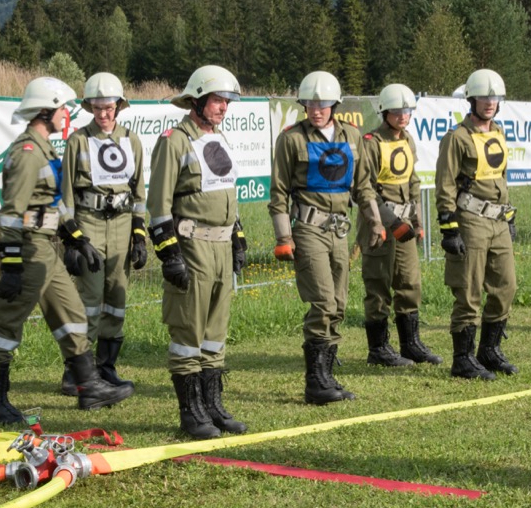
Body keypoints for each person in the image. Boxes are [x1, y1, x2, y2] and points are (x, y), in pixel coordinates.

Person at [0, 77, 134, 427]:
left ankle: (88, 387)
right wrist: (12, 265)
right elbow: (12, 213)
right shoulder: (27, 153)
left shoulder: (45, 150)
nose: (67, 115)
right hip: (29, 251)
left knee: (73, 313)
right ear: (46, 111)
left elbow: (52, 204)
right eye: (63, 108)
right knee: (5, 325)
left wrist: (77, 238)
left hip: (46, 249)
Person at [147, 65, 248, 438]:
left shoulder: (218, 137)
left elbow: (225, 191)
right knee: (188, 331)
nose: (224, 108)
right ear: (199, 99)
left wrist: (237, 236)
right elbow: (158, 204)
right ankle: (191, 413)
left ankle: (213, 407)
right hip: (192, 247)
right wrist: (169, 254)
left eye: (227, 102)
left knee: (215, 333)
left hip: (222, 248)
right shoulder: (174, 141)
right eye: (218, 100)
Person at [270, 70, 379, 404]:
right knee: (323, 302)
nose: (316, 110)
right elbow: (279, 193)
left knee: (339, 305)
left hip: (339, 231)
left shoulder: (352, 136)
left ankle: (327, 375)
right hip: (308, 229)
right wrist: (283, 237)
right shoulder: (291, 139)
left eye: (323, 104)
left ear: (335, 105)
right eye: (310, 104)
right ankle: (315, 383)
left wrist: (375, 221)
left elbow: (363, 186)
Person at [57, 72, 147, 396]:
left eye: (109, 108)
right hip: (89, 223)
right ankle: (76, 371)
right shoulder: (78, 141)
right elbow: (65, 194)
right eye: (97, 108)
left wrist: (139, 234)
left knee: (117, 299)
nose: (103, 114)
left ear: (119, 107)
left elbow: (139, 192)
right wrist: (71, 239)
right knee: (90, 300)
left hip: (122, 225)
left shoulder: (132, 141)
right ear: (90, 108)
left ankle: (106, 367)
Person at [435, 69, 518, 380]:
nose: (490, 102)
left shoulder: (498, 133)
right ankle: (463, 359)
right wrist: (449, 227)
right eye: (484, 97)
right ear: (471, 99)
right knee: (468, 291)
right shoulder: (457, 137)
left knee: (506, 286)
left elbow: (501, 178)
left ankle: (489, 351)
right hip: (470, 220)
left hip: (498, 220)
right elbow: (445, 184)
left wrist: (508, 215)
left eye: (494, 97)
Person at [358, 83, 441, 366]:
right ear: (384, 111)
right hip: (379, 224)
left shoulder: (407, 139)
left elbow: (413, 181)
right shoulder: (371, 142)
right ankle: (378, 349)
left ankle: (411, 345)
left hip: (405, 223)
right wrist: (388, 222)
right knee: (378, 284)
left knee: (409, 282)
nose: (403, 116)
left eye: (407, 111)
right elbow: (364, 189)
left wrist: (418, 221)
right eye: (397, 111)